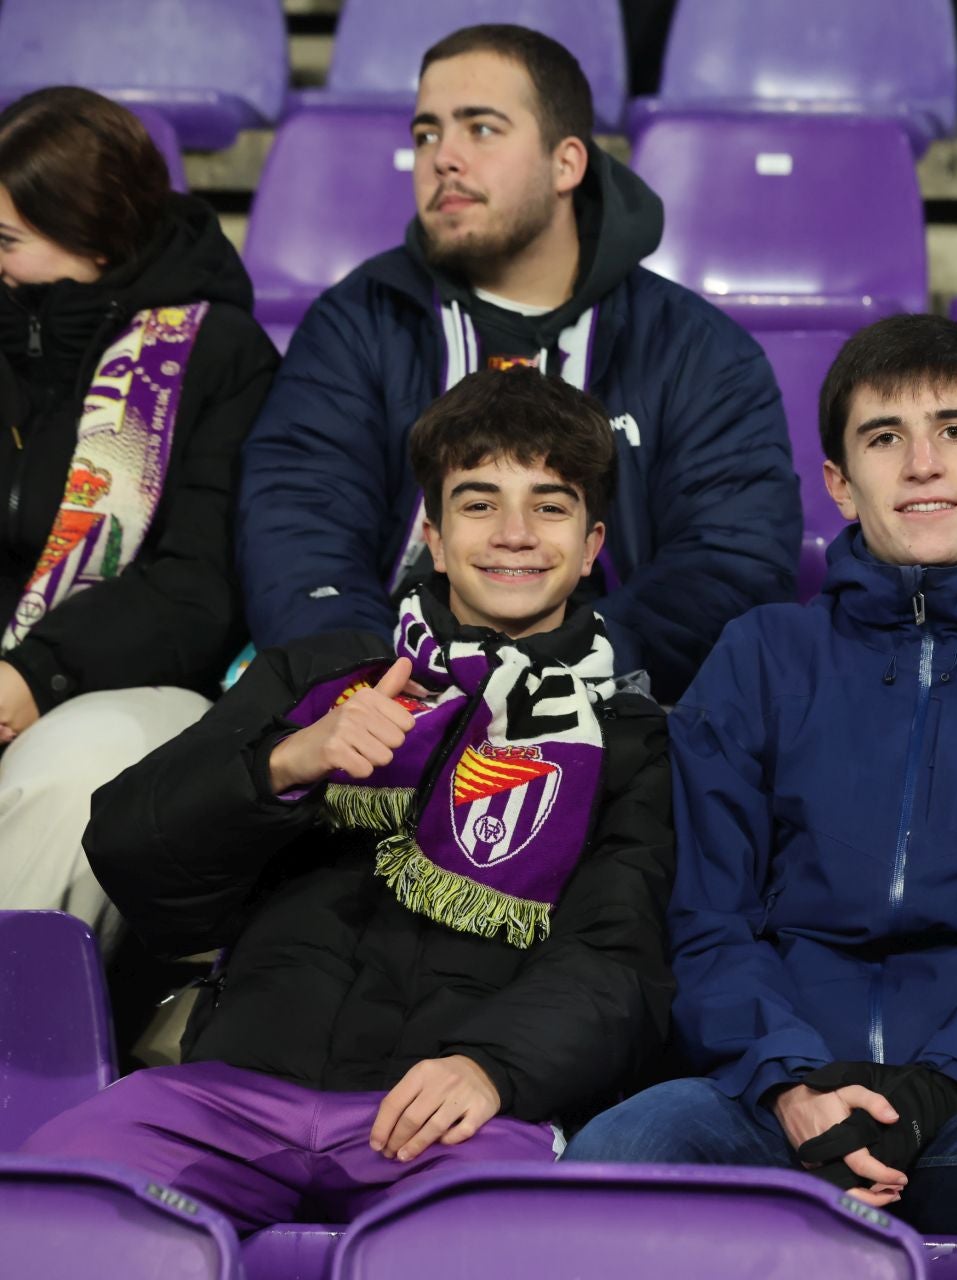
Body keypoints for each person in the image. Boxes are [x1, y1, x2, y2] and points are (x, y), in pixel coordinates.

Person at [562, 315, 957, 1280]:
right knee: (616, 1149)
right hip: (773, 1095)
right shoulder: (759, 658)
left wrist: (932, 1093)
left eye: (955, 431)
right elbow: (703, 920)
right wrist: (791, 1084)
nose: (921, 464)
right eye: (883, 437)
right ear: (838, 482)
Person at [25, 368, 676, 1232]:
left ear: (592, 545)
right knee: (44, 1217)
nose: (514, 534)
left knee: (500, 1248)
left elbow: (617, 961)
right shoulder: (318, 674)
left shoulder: (629, 736)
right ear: (434, 538)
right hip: (228, 1094)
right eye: (478, 503)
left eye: (548, 506)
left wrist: (492, 1067)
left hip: (456, 1116)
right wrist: (285, 765)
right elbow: (132, 855)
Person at [238, 23, 799, 705]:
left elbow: (731, 561)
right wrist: (371, 684)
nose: (443, 158)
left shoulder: (695, 348)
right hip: (387, 701)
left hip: (619, 705)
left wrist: (566, 671)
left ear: (567, 164)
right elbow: (296, 529)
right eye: (427, 134)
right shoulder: (357, 323)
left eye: (481, 129)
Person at [0, 88, 278, 929]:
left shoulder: (216, 355)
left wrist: (38, 672)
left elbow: (199, 589)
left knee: (68, 775)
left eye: (7, 241)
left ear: (93, 238)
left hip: (136, 686)